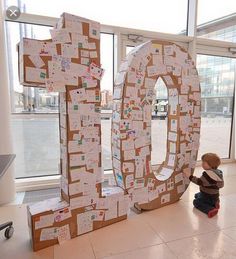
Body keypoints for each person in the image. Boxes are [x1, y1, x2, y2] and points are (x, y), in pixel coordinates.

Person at [184, 153, 224, 218]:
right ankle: (215, 202)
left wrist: (189, 176)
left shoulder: (207, 174)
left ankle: (210, 209)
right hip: (215, 195)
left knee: (196, 202)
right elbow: (221, 185)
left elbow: (199, 182)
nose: (202, 164)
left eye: (204, 163)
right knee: (197, 195)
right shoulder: (219, 172)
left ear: (210, 164)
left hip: (208, 195)